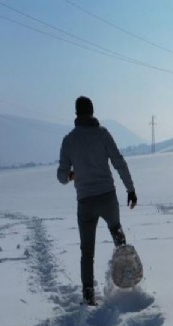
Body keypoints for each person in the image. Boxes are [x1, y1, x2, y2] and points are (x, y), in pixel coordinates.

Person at [57, 96, 137, 306]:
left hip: (86, 203)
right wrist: (130, 189)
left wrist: (73, 175)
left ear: (76, 114)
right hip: (108, 199)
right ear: (92, 112)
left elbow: (61, 177)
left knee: (87, 252)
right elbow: (119, 162)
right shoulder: (102, 134)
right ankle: (129, 282)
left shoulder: (69, 140)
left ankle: (88, 295)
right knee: (118, 238)